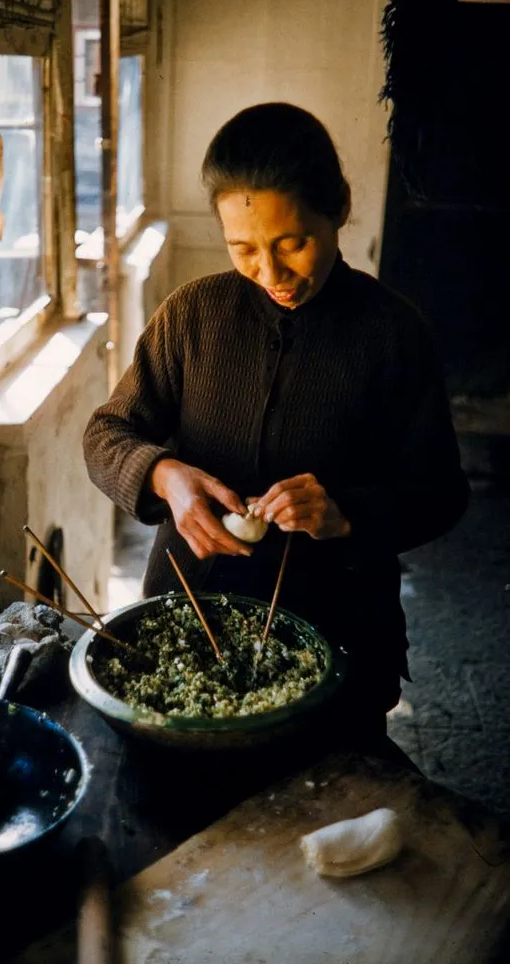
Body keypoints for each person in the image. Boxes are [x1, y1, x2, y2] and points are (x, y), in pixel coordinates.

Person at [83, 101, 469, 745]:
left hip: (340, 631)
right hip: (192, 618)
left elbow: (442, 494)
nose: (271, 273)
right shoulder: (192, 315)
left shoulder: (393, 334)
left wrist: (346, 515)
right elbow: (107, 434)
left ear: (339, 208)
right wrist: (165, 477)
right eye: (243, 248)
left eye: (293, 242)